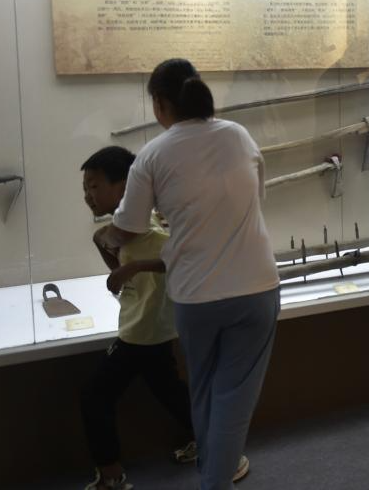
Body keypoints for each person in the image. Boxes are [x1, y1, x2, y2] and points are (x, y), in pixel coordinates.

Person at [94, 59, 280, 490]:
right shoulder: (239, 135)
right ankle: (215, 477)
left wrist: (108, 234)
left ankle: (212, 479)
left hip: (197, 296)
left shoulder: (152, 155)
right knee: (233, 397)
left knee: (206, 392)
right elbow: (254, 199)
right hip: (255, 288)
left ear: (160, 103)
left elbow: (127, 228)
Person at [80, 146, 195, 490]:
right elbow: (120, 267)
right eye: (85, 188)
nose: (88, 196)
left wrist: (132, 267)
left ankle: (112, 476)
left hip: (142, 332)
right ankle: (213, 441)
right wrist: (109, 251)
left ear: (124, 186)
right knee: (169, 391)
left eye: (94, 186)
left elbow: (179, 258)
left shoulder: (148, 230)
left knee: (95, 396)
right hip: (149, 326)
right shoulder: (124, 230)